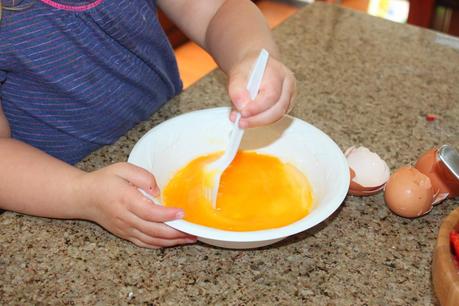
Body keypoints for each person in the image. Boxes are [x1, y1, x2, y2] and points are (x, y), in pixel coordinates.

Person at [0, 0, 296, 248]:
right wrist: (80, 193)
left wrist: (251, 55)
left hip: (164, 134)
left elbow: (217, 9)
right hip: (54, 185)